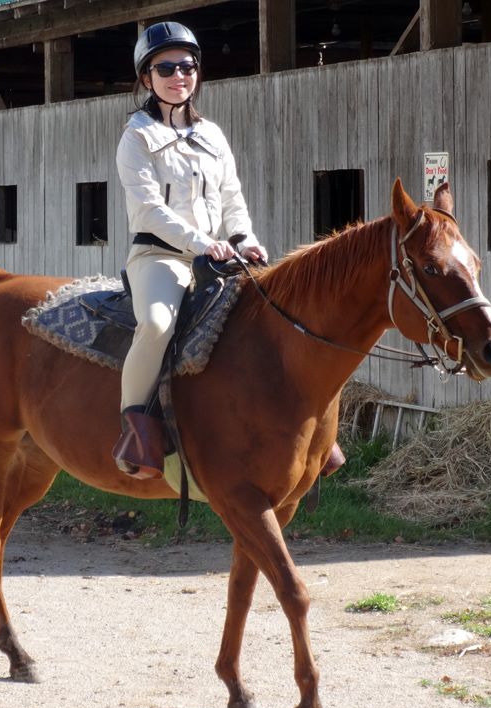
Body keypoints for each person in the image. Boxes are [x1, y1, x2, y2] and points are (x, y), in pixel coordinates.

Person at [111, 21, 344, 480]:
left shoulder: (213, 135)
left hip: (219, 257)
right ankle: (136, 430)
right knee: (157, 324)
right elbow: (150, 209)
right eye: (167, 68)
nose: (180, 75)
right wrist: (204, 243)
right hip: (160, 257)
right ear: (146, 78)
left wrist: (245, 239)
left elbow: (233, 199)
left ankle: (316, 435)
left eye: (188, 66)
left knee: (280, 319)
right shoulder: (136, 138)